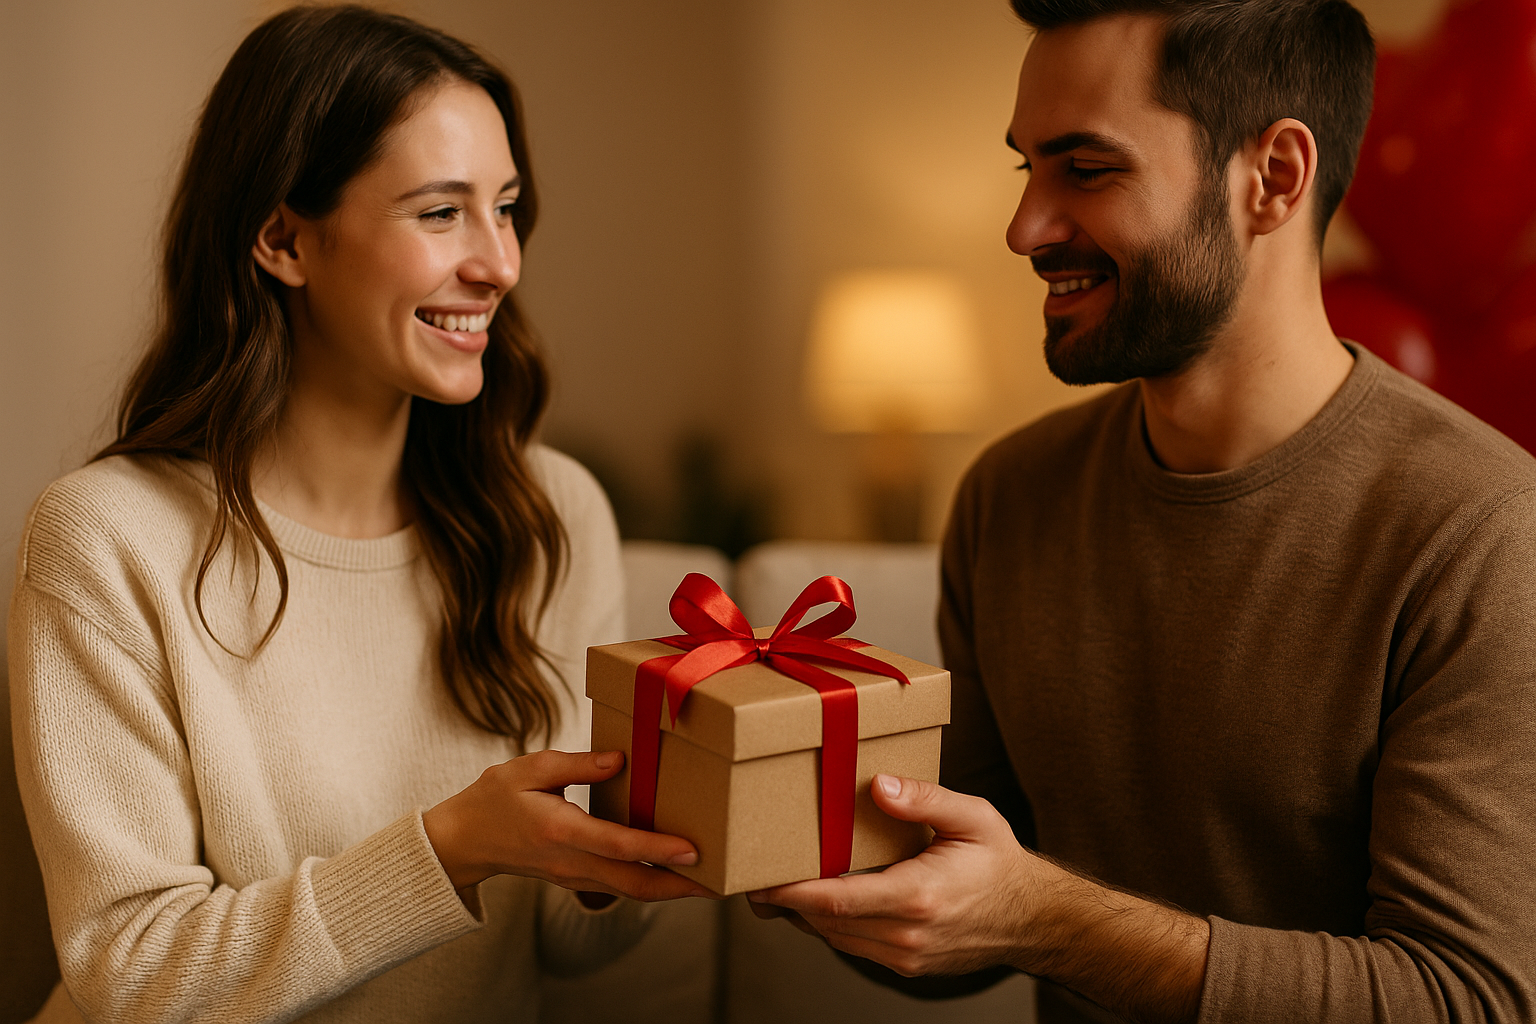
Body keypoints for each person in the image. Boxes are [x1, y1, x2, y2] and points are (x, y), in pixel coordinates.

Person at [751, 1, 1536, 1021]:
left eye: (1085, 169)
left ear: (1274, 178)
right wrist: (775, 841)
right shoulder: (1009, 497)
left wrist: (1049, 918)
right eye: (1025, 168)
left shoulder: (1482, 531)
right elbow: (973, 916)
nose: (1024, 227)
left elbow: (1467, 1000)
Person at [7, 7, 712, 1023]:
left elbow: (566, 940)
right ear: (284, 238)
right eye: (439, 213)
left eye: (505, 208)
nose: (499, 264)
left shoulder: (550, 512)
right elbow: (132, 970)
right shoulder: (107, 539)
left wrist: (663, 825)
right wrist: (449, 848)